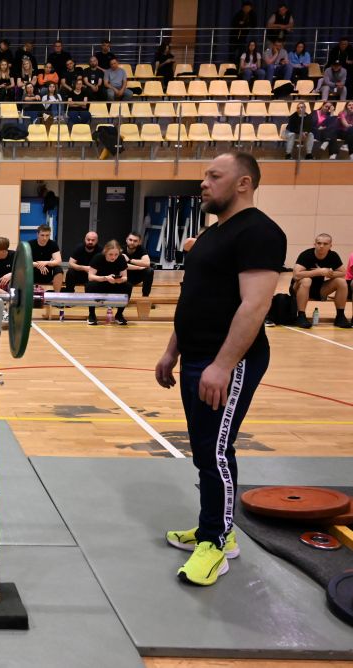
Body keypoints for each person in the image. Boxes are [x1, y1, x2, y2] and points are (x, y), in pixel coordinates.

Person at [157, 152, 286, 586]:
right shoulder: (211, 235)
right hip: (197, 357)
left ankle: (217, 544)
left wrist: (223, 365)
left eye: (214, 176)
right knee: (206, 449)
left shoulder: (260, 232)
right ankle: (213, 526)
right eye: (205, 176)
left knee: (214, 451)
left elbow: (255, 305)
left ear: (244, 183)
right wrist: (171, 351)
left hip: (229, 361)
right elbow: (193, 298)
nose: (204, 183)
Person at [291, 234, 351, 328]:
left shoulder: (333, 255)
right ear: (314, 244)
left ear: (330, 246)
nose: (321, 246)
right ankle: (301, 316)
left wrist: (328, 273)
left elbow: (343, 273)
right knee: (307, 281)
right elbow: (296, 275)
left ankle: (340, 316)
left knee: (341, 281)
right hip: (299, 288)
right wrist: (319, 272)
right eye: (319, 243)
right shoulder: (306, 255)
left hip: (319, 289)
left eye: (325, 244)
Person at [87, 240, 131, 326]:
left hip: (114, 284)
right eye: (110, 254)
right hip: (101, 283)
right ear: (105, 251)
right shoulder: (98, 257)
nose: (113, 257)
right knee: (90, 285)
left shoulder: (121, 258)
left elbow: (125, 277)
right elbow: (90, 277)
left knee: (128, 286)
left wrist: (120, 280)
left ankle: (119, 315)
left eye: (116, 254)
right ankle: (91, 314)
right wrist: (105, 278)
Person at [28, 223, 63, 291]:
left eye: (47, 235)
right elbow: (24, 261)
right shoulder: (29, 244)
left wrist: (45, 262)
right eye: (42, 235)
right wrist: (38, 265)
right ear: (37, 234)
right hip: (32, 270)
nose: (45, 238)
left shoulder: (53, 244)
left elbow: (58, 261)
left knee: (58, 269)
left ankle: (57, 294)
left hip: (46, 271)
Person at [123, 232, 154, 297]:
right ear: (126, 240)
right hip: (125, 276)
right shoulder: (121, 249)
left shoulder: (141, 249)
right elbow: (122, 266)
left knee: (149, 271)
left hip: (137, 276)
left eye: (135, 241)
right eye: (130, 240)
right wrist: (138, 267)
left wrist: (130, 260)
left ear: (139, 242)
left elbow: (147, 263)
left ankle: (145, 296)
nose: (132, 242)